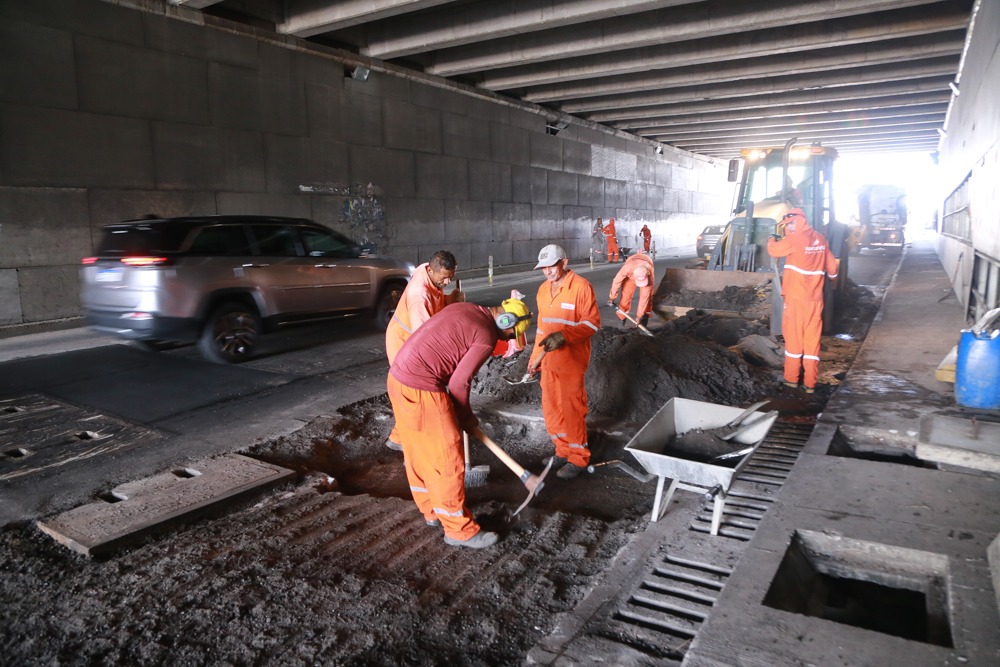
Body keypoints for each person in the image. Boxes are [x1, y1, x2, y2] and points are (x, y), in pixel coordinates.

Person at [387, 298, 532, 549]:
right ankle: (458, 530)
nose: (508, 339)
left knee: (418, 450)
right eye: (511, 334)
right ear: (506, 320)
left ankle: (432, 510)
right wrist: (465, 417)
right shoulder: (486, 335)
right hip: (423, 389)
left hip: (398, 378)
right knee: (447, 458)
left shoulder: (465, 308)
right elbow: (458, 384)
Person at [528, 244, 601, 479]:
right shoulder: (542, 290)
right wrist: (534, 359)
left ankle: (578, 458)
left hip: (571, 362)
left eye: (552, 266)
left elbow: (592, 324)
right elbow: (541, 328)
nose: (548, 272)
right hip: (549, 361)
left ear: (564, 263)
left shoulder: (580, 287)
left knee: (572, 409)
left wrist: (565, 336)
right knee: (552, 409)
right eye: (544, 268)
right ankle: (562, 450)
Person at [384, 250, 464, 450]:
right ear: (431, 270)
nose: (446, 283)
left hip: (413, 336)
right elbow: (426, 337)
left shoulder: (429, 274)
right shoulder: (419, 295)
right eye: (444, 279)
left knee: (416, 393)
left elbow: (436, 303)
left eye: (450, 278)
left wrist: (449, 300)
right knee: (413, 390)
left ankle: (398, 438)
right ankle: (409, 442)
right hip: (403, 342)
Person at [766, 208, 839, 393]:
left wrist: (771, 239)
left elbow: (774, 251)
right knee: (812, 342)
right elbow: (832, 268)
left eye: (789, 224)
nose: (788, 227)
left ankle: (791, 380)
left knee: (794, 340)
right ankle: (810, 384)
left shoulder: (794, 239)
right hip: (815, 300)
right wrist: (833, 280)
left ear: (796, 222)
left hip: (796, 299)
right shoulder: (820, 239)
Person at [610, 252, 655, 329]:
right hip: (631, 270)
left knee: (647, 299)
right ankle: (621, 321)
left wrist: (639, 316)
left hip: (646, 265)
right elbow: (616, 281)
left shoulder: (649, 272)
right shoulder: (627, 268)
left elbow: (644, 298)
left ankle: (643, 321)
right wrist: (612, 297)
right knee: (625, 296)